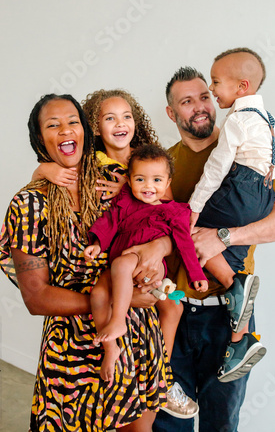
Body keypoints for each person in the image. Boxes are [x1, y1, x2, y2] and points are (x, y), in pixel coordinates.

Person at [0, 94, 173, 432]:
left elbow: (164, 216)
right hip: (73, 352)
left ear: (85, 130)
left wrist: (161, 247)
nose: (65, 130)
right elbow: (36, 298)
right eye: (53, 125)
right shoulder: (29, 204)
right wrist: (118, 302)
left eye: (72, 121)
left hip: (137, 339)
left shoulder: (115, 181)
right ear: (39, 139)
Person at [153, 67, 275, 432]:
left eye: (205, 96)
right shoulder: (160, 164)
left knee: (221, 425)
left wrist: (223, 236)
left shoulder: (247, 152)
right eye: (186, 102)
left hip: (227, 317)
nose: (200, 107)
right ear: (171, 113)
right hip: (172, 307)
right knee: (166, 424)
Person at [31, 89, 199, 421]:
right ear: (94, 127)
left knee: (174, 304)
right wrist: (43, 171)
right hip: (114, 260)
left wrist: (158, 245)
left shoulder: (149, 159)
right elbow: (48, 179)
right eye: (110, 118)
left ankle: (162, 379)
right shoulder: (88, 164)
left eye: (126, 117)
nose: (120, 124)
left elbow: (170, 213)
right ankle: (135, 359)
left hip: (148, 261)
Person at [187, 48, 275, 381]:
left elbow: (216, 169)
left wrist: (194, 208)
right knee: (231, 255)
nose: (214, 90)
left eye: (215, 83)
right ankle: (240, 342)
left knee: (190, 234)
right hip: (264, 191)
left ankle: (235, 285)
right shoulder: (270, 120)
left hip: (241, 187)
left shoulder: (238, 120)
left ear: (242, 86)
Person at [84, 144, 208, 387]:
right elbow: (110, 221)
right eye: (140, 179)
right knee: (98, 293)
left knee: (166, 302)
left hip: (148, 268)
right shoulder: (125, 201)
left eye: (157, 180)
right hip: (123, 270)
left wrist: (197, 275)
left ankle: (162, 367)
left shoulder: (174, 211)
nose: (148, 186)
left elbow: (185, 244)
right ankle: (111, 348)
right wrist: (97, 244)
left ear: (167, 182)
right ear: (129, 181)